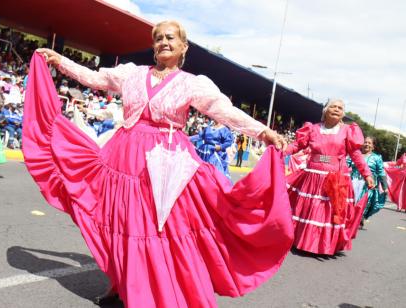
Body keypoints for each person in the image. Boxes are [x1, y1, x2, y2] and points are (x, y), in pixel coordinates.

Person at [27, 20, 293, 308]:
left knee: (159, 229)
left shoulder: (193, 83)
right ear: (153, 46)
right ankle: (120, 284)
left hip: (167, 164)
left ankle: (158, 290)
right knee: (124, 223)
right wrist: (60, 61)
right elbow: (96, 78)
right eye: (158, 38)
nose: (164, 42)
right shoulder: (132, 74)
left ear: (183, 47)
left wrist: (262, 131)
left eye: (170, 38)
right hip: (123, 159)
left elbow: (223, 111)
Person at [285, 99, 375, 255]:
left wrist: (367, 174)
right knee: (310, 209)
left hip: (336, 179)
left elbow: (355, 155)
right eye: (333, 106)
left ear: (343, 114)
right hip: (312, 177)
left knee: (328, 212)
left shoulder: (348, 131)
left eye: (340, 108)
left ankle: (323, 246)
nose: (337, 109)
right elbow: (297, 146)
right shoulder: (312, 129)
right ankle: (303, 242)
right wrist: (281, 150)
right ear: (325, 110)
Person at [348, 136, 388, 228]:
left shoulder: (376, 158)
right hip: (352, 183)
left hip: (367, 186)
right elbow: (345, 164)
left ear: (373, 146)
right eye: (365, 142)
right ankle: (350, 219)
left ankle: (359, 219)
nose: (366, 144)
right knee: (350, 202)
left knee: (363, 204)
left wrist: (385, 187)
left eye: (369, 143)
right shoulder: (355, 155)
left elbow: (381, 173)